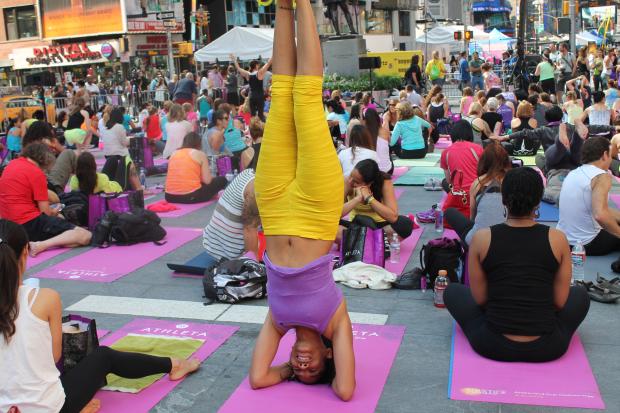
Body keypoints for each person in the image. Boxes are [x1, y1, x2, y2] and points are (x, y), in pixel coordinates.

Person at [249, 0, 355, 400]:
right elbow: (345, 391)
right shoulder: (334, 321)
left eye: (299, 369)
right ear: (329, 355)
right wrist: (327, 369)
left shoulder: (279, 321)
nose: (302, 366)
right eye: (313, 370)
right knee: (307, 99)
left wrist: (286, 374)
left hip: (274, 209)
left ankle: (281, 6)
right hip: (315, 206)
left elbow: (259, 377)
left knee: (282, 99)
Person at [0, 219, 200, 413]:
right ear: (25, 252)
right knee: (103, 356)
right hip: (53, 408)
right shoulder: (45, 298)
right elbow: (54, 356)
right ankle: (175, 364)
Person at [445, 167, 589, 362]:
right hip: (547, 347)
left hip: (493, 343)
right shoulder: (558, 239)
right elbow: (559, 302)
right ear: (539, 201)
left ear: (504, 199)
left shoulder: (482, 238)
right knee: (579, 295)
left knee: (452, 291)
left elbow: (480, 300)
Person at [0, 143, 92, 256]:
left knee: (71, 240)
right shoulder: (36, 173)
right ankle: (40, 245)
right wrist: (56, 211)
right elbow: (46, 212)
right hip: (29, 223)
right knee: (85, 236)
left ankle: (49, 240)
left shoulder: (11, 165)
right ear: (45, 160)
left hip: (7, 225)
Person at [557, 137, 620, 255]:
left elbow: (600, 209)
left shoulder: (574, 172)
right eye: (611, 156)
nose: (611, 160)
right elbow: (600, 215)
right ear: (605, 155)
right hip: (587, 244)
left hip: (564, 241)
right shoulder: (601, 176)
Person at [444, 142, 510, 246]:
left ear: (484, 161)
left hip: (478, 243)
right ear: (506, 161)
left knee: (450, 212)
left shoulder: (478, 183)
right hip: (507, 240)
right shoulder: (512, 181)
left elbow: (473, 217)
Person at [342, 158, 414, 239]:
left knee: (405, 224)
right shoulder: (347, 181)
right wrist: (357, 199)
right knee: (327, 223)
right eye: (351, 175)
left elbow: (393, 217)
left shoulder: (385, 182)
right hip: (355, 225)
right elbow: (336, 214)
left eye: (357, 182)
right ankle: (374, 240)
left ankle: (363, 240)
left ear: (369, 184)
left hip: (380, 227)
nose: (350, 181)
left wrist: (369, 199)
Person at [165, 132, 227, 204]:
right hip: (190, 196)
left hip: (169, 196)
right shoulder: (199, 154)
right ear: (199, 143)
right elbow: (207, 181)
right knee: (222, 179)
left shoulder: (174, 153)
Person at [439, 120, 484, 220]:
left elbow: (449, 180)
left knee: (445, 182)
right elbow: (484, 175)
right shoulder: (478, 149)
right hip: (478, 195)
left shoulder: (446, 152)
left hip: (458, 196)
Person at [101, 107, 142, 191]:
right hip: (119, 154)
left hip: (108, 154)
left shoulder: (105, 127)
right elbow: (124, 143)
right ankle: (139, 188)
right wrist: (132, 139)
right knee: (132, 168)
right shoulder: (119, 127)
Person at [232, 55, 273, 121]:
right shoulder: (259, 73)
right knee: (260, 114)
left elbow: (238, 68)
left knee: (253, 115)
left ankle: (253, 128)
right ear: (256, 66)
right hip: (259, 96)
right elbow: (268, 63)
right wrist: (273, 56)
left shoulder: (248, 74)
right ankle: (261, 128)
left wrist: (234, 60)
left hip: (251, 96)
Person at [364, 108, 392, 174]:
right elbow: (390, 143)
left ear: (366, 120)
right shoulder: (385, 131)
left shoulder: (364, 133)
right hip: (388, 170)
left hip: (373, 172)